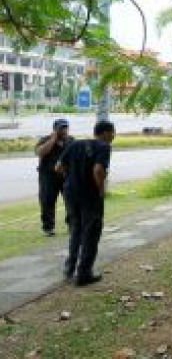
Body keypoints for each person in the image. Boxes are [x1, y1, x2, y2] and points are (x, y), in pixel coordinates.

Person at [58, 120, 116, 286]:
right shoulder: (104, 146)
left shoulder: (74, 144)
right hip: (89, 195)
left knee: (76, 229)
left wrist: (71, 180)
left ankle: (70, 268)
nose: (113, 136)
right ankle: (83, 273)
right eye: (112, 132)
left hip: (70, 193)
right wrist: (100, 190)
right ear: (106, 133)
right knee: (91, 232)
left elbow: (58, 167)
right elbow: (98, 169)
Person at [35, 119, 74, 237]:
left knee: (71, 201)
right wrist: (52, 140)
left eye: (65, 127)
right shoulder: (45, 140)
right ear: (55, 129)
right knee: (47, 201)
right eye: (61, 128)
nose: (63, 130)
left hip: (66, 175)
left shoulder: (71, 140)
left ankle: (72, 225)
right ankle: (48, 227)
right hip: (48, 176)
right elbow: (40, 152)